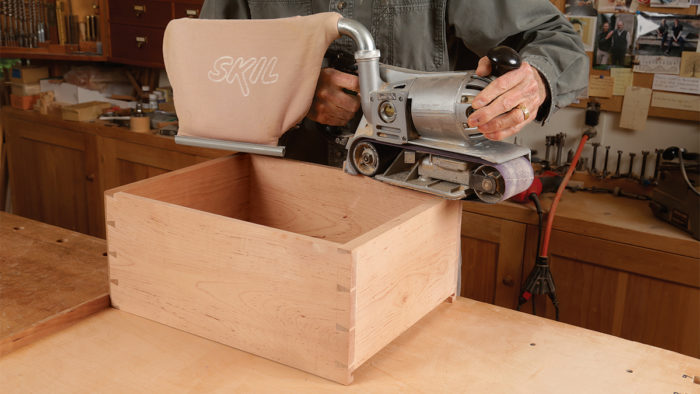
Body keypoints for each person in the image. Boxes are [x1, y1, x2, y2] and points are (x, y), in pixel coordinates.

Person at [200, 0, 588, 167]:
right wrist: (293, 91)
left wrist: (533, 80)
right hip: (280, 186)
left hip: (413, 194)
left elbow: (556, 39)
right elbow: (203, 65)